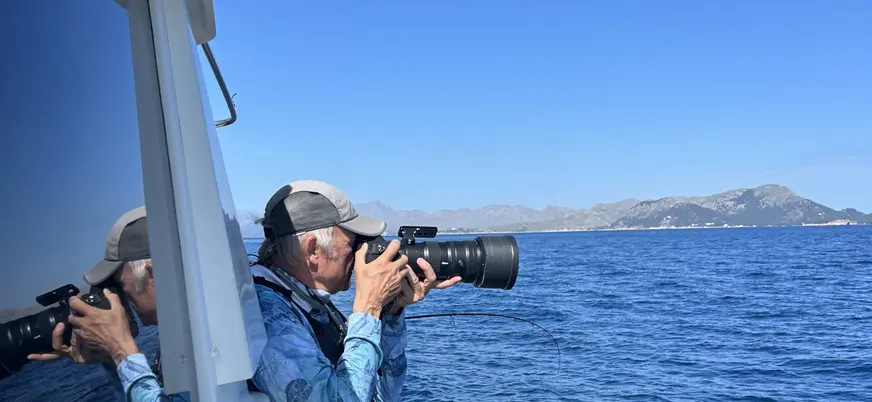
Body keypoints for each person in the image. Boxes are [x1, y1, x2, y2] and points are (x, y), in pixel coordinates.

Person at [248, 179, 461, 402]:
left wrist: (389, 310)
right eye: (353, 244)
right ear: (312, 250)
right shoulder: (267, 316)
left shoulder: (306, 301)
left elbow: (384, 393)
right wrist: (369, 306)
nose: (361, 254)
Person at [27, 206, 190, 401]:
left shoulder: (210, 337)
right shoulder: (188, 333)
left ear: (154, 275)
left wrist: (120, 350)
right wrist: (113, 362)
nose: (119, 297)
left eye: (120, 285)